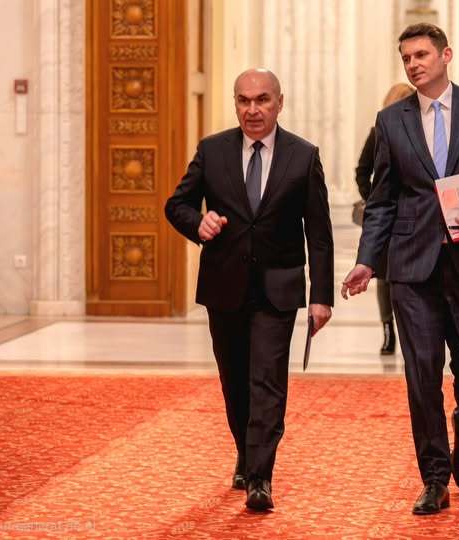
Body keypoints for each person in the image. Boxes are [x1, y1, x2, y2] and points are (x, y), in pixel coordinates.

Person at [342, 23, 459, 515]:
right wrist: (366, 260)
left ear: (446, 55)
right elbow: (382, 200)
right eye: (406, 58)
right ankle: (434, 476)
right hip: (412, 267)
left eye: (421, 55)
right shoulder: (391, 121)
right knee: (421, 374)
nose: (413, 64)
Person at [165, 68, 333, 512]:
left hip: (279, 289)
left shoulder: (303, 156)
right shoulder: (213, 150)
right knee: (236, 380)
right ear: (235, 104)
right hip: (224, 286)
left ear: (279, 103)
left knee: (268, 381)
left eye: (262, 100)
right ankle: (245, 449)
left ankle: (261, 476)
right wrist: (197, 223)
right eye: (244, 100)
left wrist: (321, 296)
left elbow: (319, 233)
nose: (252, 109)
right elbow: (177, 205)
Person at [354, 83, 415, 355]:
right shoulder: (378, 132)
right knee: (383, 276)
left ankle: (410, 327)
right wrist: (375, 199)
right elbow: (362, 171)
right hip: (386, 217)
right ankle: (388, 329)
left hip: (413, 215)